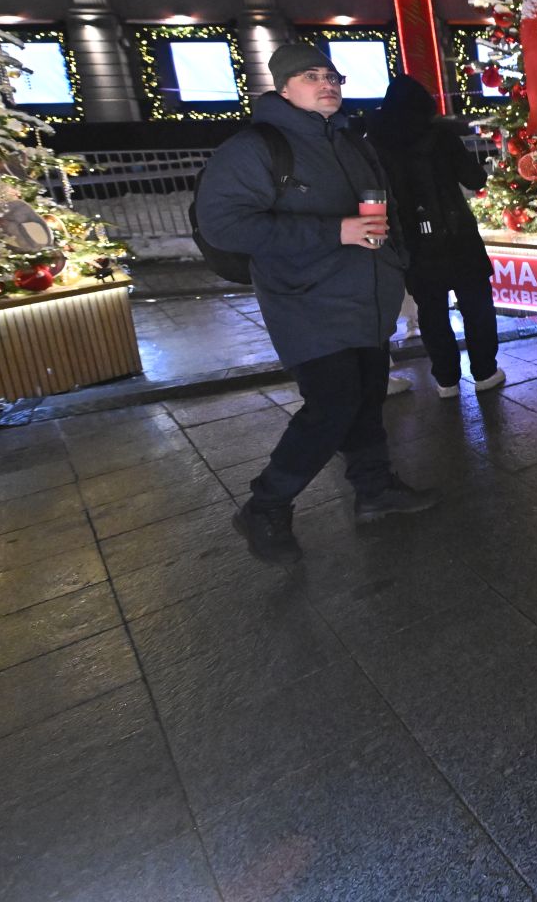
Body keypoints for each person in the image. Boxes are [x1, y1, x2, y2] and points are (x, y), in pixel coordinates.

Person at [196, 43, 438, 560]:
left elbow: (381, 210)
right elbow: (225, 224)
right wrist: (336, 231)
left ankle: (374, 489)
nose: (328, 83)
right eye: (312, 76)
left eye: (333, 75)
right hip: (305, 302)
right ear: (283, 88)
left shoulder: (349, 138)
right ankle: (266, 504)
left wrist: (394, 261)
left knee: (367, 394)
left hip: (366, 296)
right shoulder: (255, 147)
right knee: (331, 407)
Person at [365, 76, 504, 399]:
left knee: (431, 312)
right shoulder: (441, 136)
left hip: (412, 239)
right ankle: (484, 372)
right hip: (457, 236)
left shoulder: (375, 143)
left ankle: (446, 380)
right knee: (477, 307)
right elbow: (474, 177)